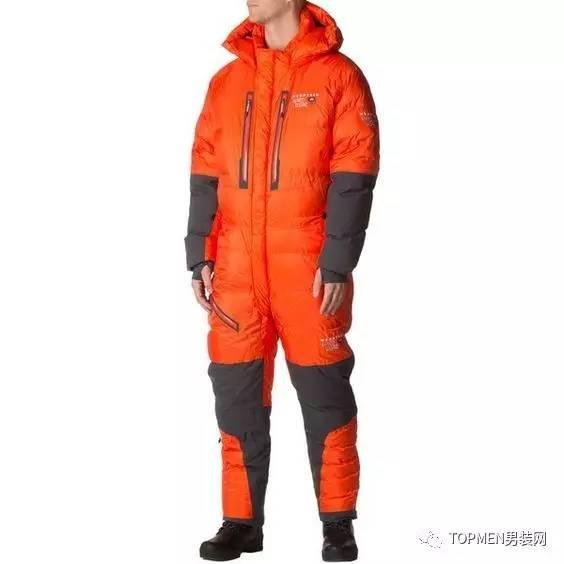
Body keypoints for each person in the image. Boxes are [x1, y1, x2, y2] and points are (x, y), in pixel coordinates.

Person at [185, 0, 379, 560]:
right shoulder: (226, 82)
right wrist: (199, 254)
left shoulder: (339, 77)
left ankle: (337, 523)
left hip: (309, 270)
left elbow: (354, 174)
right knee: (236, 397)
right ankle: (241, 522)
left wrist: (338, 261)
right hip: (236, 272)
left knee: (324, 396)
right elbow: (204, 171)